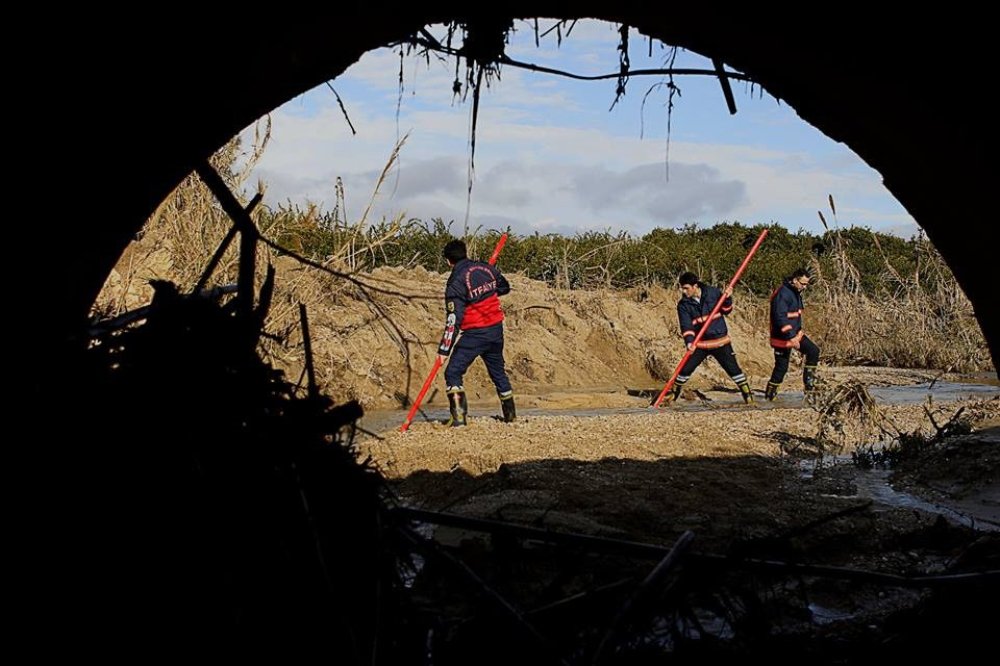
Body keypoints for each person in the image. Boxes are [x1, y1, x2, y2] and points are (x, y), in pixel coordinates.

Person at [437, 238, 515, 426]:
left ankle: (459, 419)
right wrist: (484, 290)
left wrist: (443, 351)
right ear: (465, 253)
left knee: (453, 373)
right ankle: (511, 417)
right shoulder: (486, 268)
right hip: (496, 331)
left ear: (449, 261)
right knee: (499, 374)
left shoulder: (455, 282)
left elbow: (453, 319)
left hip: (474, 334)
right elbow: (504, 287)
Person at [664, 271, 754, 405]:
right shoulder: (683, 305)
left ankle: (748, 397)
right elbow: (686, 325)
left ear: (695, 286)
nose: (683, 291)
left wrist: (728, 298)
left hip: (720, 341)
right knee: (684, 370)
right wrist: (689, 342)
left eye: (686, 288)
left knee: (734, 370)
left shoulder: (713, 293)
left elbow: (726, 310)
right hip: (700, 344)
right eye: (682, 288)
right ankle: (672, 396)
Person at [766, 267, 821, 400]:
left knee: (813, 351)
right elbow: (780, 318)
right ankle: (769, 396)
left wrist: (798, 333)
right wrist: (791, 337)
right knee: (781, 368)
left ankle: (809, 389)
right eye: (803, 284)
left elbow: (795, 315)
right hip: (782, 337)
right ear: (795, 280)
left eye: (806, 284)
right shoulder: (782, 293)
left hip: (796, 334)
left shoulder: (795, 292)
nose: (805, 287)